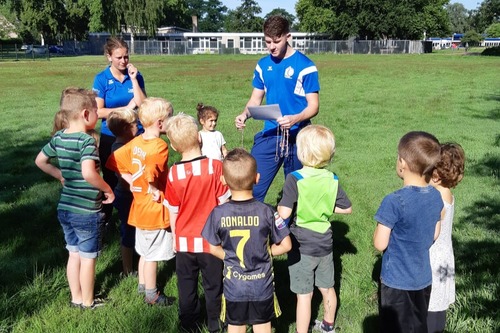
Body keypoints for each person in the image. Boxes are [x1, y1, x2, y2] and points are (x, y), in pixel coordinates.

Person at [35, 87, 114, 309]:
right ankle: (88, 302)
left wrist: (60, 174)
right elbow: (89, 174)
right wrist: (107, 189)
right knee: (88, 258)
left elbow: (40, 161)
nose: (98, 115)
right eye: (96, 111)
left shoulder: (59, 137)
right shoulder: (86, 141)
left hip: (66, 208)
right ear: (86, 114)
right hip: (86, 211)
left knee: (74, 253)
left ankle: (76, 298)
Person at [202, 148, 292, 333]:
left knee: (235, 326)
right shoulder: (268, 211)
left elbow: (212, 248)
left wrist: (229, 256)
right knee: (262, 326)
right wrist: (267, 252)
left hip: (234, 286)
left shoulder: (218, 213)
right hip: (262, 285)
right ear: (257, 178)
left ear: (223, 181)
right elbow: (286, 245)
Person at [235, 15, 320, 202]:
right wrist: (244, 114)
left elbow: (314, 106)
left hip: (299, 136)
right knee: (250, 187)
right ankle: (255, 227)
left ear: (288, 36)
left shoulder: (305, 66)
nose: (271, 46)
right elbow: (255, 100)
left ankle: (291, 229)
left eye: (276, 41)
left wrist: (295, 119)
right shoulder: (263, 65)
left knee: (298, 195)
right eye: (267, 42)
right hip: (271, 133)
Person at [277, 125, 352, 333]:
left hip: (301, 244)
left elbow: (284, 213)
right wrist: (326, 207)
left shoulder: (295, 178)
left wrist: (278, 210)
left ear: (301, 152)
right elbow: (347, 209)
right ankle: (328, 326)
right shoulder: (332, 179)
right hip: (325, 243)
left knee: (304, 294)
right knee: (327, 288)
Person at [163, 113, 231, 333]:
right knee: (214, 285)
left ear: (173, 146)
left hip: (184, 242)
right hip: (212, 242)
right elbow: (224, 202)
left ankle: (188, 324)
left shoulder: (173, 173)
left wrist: (174, 237)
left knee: (186, 285)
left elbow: (172, 210)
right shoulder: (215, 167)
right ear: (200, 139)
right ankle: (215, 322)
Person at [106, 97, 174, 306]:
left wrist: (133, 181)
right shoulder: (159, 146)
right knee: (153, 254)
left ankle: (142, 285)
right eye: (169, 118)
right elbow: (152, 173)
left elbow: (115, 162)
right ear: (160, 123)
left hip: (138, 206)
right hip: (154, 208)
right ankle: (152, 294)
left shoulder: (136, 142)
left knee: (145, 250)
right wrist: (150, 186)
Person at [373, 131, 444, 333]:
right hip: (423, 279)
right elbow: (434, 235)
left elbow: (380, 244)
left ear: (402, 163)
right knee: (418, 326)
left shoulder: (394, 201)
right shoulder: (436, 197)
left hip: (397, 281)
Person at [92, 36, 146, 228]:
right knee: (110, 178)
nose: (124, 61)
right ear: (109, 57)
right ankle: (105, 220)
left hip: (135, 135)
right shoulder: (101, 79)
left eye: (126, 56)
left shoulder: (136, 76)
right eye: (119, 57)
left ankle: (138, 216)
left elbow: (142, 105)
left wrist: (133, 79)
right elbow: (98, 112)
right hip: (111, 136)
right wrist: (125, 109)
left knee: (137, 175)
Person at [427, 143, 465, 333]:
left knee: (432, 308)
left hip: (434, 259)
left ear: (436, 174)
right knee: (438, 306)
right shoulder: (446, 193)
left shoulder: (436, 199)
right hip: (445, 257)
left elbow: (430, 233)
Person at [106, 109, 139, 276]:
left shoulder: (128, 143)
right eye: (135, 124)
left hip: (132, 195)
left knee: (135, 229)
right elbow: (123, 178)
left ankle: (138, 260)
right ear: (126, 129)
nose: (138, 127)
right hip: (126, 197)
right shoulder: (119, 148)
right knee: (128, 231)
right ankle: (127, 269)